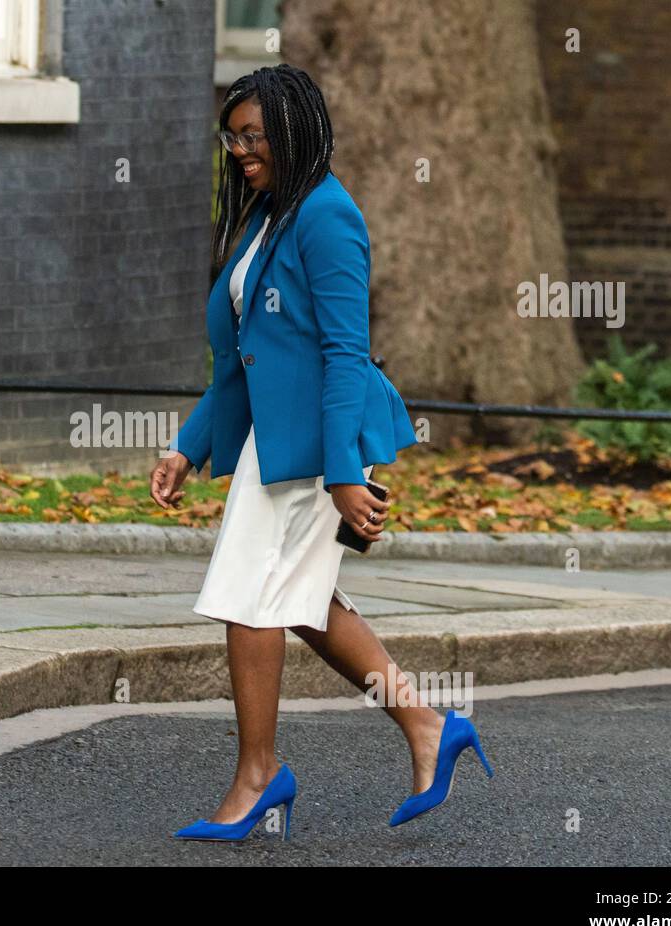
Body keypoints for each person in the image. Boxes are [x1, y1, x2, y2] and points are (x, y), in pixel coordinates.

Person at [150, 65, 494, 841]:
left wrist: (344, 471)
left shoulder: (327, 218)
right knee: (299, 605)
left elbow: (345, 354)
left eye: (255, 136)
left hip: (318, 449)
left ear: (296, 131)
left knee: (248, 594)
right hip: (284, 446)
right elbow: (247, 358)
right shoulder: (267, 218)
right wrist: (188, 445)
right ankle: (430, 729)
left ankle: (260, 775)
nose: (240, 150)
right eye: (232, 137)